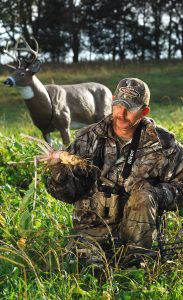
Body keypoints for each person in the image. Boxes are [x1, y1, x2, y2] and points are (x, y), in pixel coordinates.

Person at [46, 78, 183, 264]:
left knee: (135, 276)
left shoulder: (164, 145)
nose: (122, 113)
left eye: (131, 108)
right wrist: (58, 173)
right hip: (92, 234)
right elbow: (68, 195)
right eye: (118, 105)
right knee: (83, 271)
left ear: (144, 111)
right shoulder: (88, 138)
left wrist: (155, 195)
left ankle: (138, 262)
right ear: (112, 101)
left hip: (139, 238)